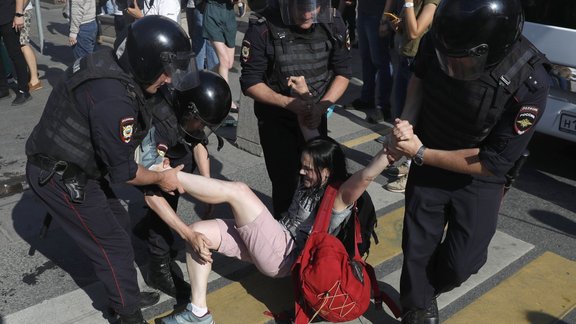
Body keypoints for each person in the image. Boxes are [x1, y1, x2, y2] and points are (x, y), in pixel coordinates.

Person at [385, 1, 550, 323]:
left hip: (477, 175)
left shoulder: (530, 81)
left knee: (463, 263)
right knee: (418, 250)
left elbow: (492, 163)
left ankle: (426, 290)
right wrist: (405, 125)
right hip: (428, 161)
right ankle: (417, 308)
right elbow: (419, 78)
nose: (453, 66)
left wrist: (418, 152)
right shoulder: (441, 38)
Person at [25, 16, 196, 324]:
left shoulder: (118, 65)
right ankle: (128, 315)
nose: (170, 79)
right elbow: (125, 173)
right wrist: (161, 177)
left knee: (116, 220)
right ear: (144, 63)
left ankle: (123, 293)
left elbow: (154, 110)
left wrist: (162, 150)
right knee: (112, 246)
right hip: (59, 175)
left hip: (75, 166)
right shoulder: (112, 98)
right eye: (166, 71)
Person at [159, 135, 391, 324]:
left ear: (327, 171)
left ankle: (167, 176)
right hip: (275, 238)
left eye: (308, 169)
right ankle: (198, 313)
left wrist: (389, 153)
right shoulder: (313, 177)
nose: (301, 172)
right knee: (198, 233)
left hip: (287, 256)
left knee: (239, 191)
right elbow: (309, 128)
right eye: (302, 166)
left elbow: (366, 177)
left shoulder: (339, 198)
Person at [239, 0, 351, 218]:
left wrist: (321, 107)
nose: (309, 14)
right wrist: (288, 103)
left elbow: (343, 72)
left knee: (319, 180)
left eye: (315, 7)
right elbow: (250, 82)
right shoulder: (264, 26)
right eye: (302, 7)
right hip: (277, 120)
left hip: (315, 115)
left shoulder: (334, 22)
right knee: (286, 184)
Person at [135, 70, 231, 299]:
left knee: (182, 163)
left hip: (168, 149)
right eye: (200, 122)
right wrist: (187, 234)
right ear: (190, 111)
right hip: (135, 163)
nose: (201, 128)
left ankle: (147, 228)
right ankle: (157, 267)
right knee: (165, 192)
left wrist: (207, 187)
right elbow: (151, 192)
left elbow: (197, 141)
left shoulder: (188, 108)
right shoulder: (161, 121)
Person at [381, 0, 439, 193]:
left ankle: (412, 173)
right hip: (405, 57)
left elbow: (416, 32)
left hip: (417, 60)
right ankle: (407, 162)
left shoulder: (432, 1)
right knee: (400, 114)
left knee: (412, 120)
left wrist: (407, 4)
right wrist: (397, 23)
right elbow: (408, 28)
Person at [350, 0, 393, 123]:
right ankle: (367, 98)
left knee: (380, 61)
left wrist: (385, 19)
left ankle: (383, 107)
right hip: (364, 12)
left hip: (378, 15)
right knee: (366, 57)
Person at [0, 0, 31, 105]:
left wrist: (18, 14)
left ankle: (24, 91)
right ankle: (3, 89)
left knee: (15, 54)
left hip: (8, 16)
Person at [185, 0, 219, 71]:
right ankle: (208, 75)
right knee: (198, 40)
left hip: (202, 6)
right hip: (192, 5)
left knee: (203, 42)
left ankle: (201, 76)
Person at [20, 0, 42, 92]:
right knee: (22, 44)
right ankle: (33, 75)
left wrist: (18, 12)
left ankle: (35, 79)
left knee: (23, 44)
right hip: (21, 10)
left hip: (22, 10)